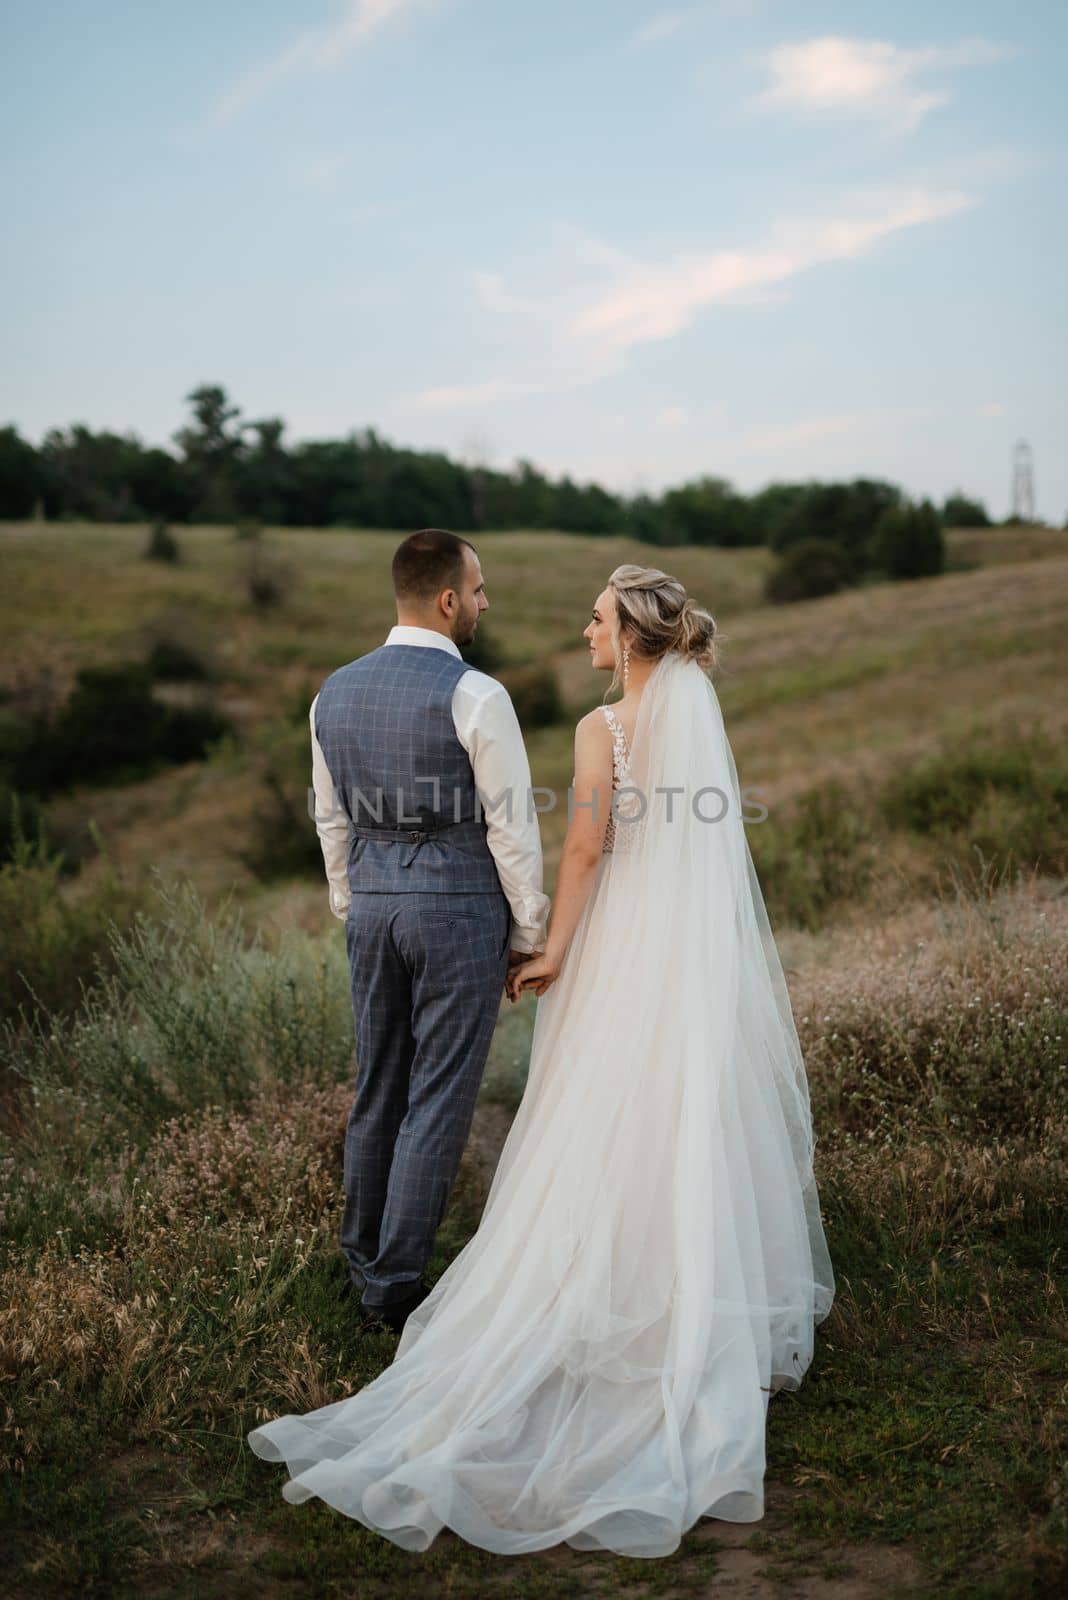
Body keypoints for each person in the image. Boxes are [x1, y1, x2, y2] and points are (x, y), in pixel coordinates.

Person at [248, 562, 836, 1559]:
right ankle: (695, 1295)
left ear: (633, 635)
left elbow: (583, 852)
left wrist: (552, 945)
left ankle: (548, 1294)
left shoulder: (601, 730)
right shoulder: (696, 713)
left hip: (605, 944)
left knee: (598, 1112)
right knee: (686, 1111)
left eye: (598, 618)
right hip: (687, 952)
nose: (585, 630)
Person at [306, 528, 549, 1334]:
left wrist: (354, 902)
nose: (485, 602)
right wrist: (528, 931)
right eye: (479, 589)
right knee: (438, 1098)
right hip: (457, 910)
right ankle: (394, 1288)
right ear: (448, 599)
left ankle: (361, 1259)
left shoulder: (330, 693)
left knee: (378, 1086)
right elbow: (512, 828)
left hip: (373, 907)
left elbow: (329, 818)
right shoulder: (477, 694)